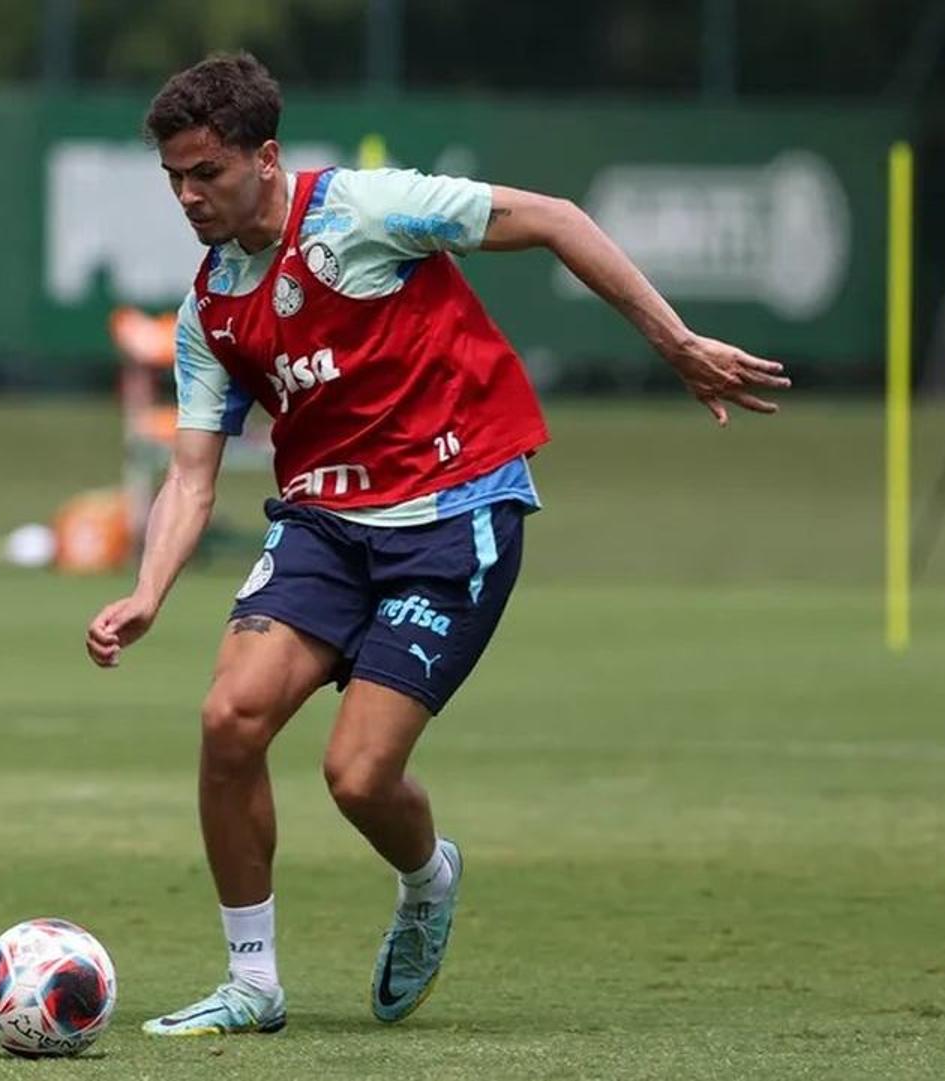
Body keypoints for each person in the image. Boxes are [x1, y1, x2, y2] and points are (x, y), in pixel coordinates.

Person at [84, 53, 788, 1037]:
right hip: (326, 530)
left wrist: (675, 344)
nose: (189, 195)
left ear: (266, 156)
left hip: (455, 517)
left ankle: (426, 879)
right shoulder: (210, 303)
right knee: (229, 721)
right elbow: (193, 472)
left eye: (206, 172)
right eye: (175, 178)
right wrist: (148, 591)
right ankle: (253, 982)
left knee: (357, 776)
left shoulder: (369, 210)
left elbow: (555, 219)